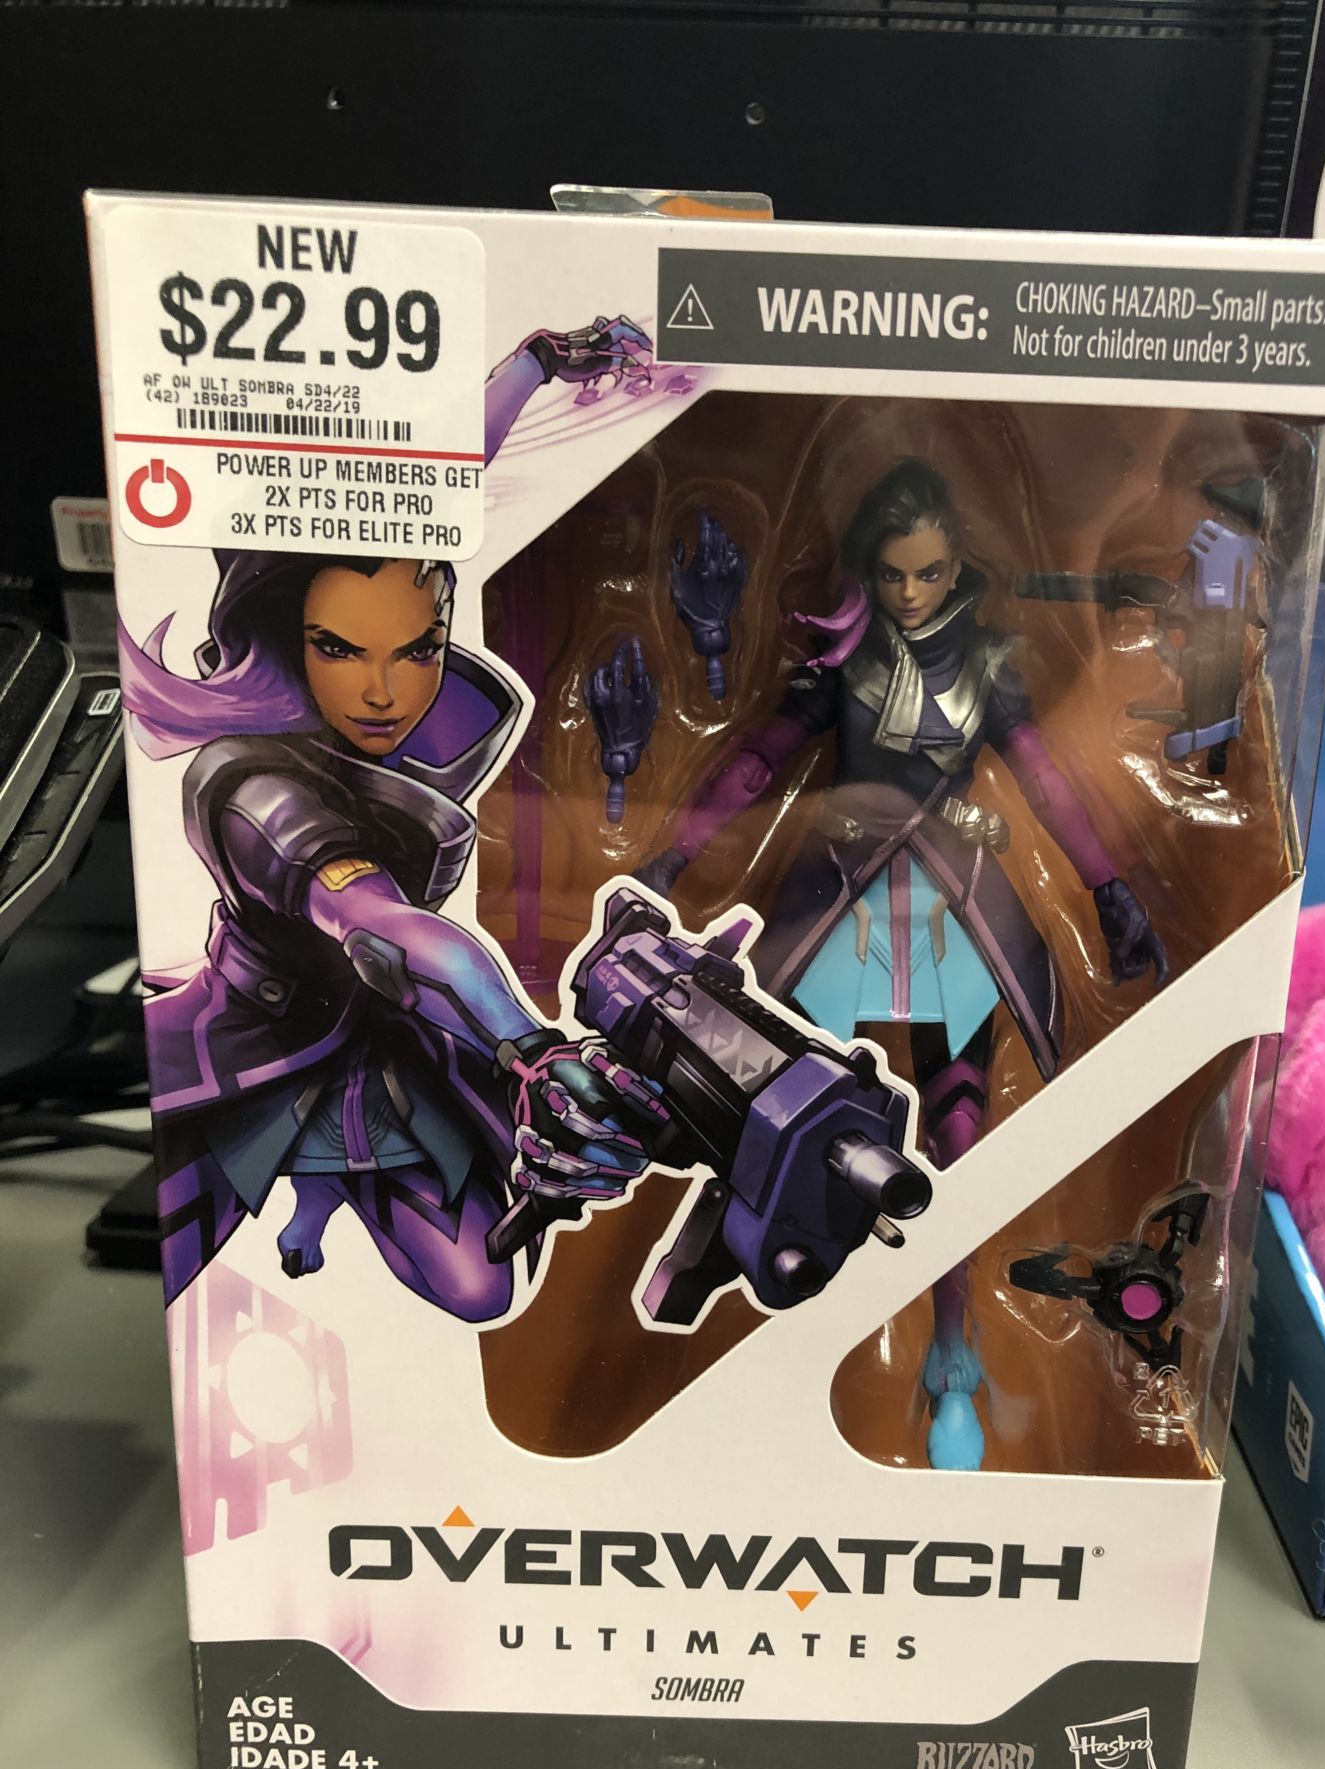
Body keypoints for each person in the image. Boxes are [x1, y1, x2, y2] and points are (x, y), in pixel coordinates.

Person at [640, 458, 1166, 1468]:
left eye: (927, 573)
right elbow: (755, 763)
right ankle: (710, 1271)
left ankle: (953, 1353)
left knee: (957, 1135)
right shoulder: (838, 666)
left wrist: (1108, 886)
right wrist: (674, 855)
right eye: (892, 575)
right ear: (868, 573)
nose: (911, 593)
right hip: (840, 898)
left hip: (952, 907)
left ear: (957, 564)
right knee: (769, 1105)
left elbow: (1044, 779)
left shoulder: (990, 664)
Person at [122, 551, 652, 1320]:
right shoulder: (256, 794)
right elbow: (381, 924)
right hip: (256, 1039)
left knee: (478, 1287)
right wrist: (531, 1049)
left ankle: (329, 1182)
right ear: (284, 640)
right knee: (158, 1267)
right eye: (338, 648)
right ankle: (312, 1181)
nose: (384, 692)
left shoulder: (429, 736)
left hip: (385, 1032)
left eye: (418, 650)